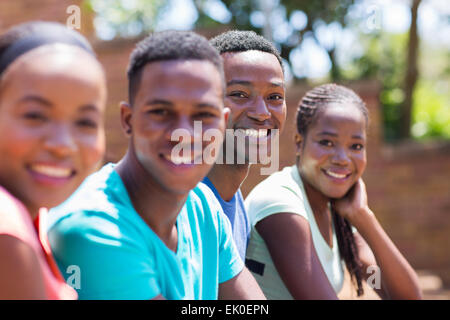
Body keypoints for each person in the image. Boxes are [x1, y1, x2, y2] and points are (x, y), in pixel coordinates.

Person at [47, 30, 265, 300]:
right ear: (128, 119)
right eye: (161, 112)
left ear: (222, 122)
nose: (183, 133)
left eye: (203, 114)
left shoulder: (202, 205)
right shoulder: (93, 228)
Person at [245, 83, 423, 300]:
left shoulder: (337, 214)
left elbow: (404, 296)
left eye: (356, 146)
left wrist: (364, 217)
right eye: (327, 142)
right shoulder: (280, 202)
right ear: (299, 143)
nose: (342, 158)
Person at [0, 21, 107, 299]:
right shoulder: (7, 233)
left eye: (85, 122)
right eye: (35, 115)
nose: (63, 145)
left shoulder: (36, 219)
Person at [203, 30, 286, 262]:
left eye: (275, 97)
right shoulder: (182, 206)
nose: (262, 113)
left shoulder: (237, 206)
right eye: (239, 94)